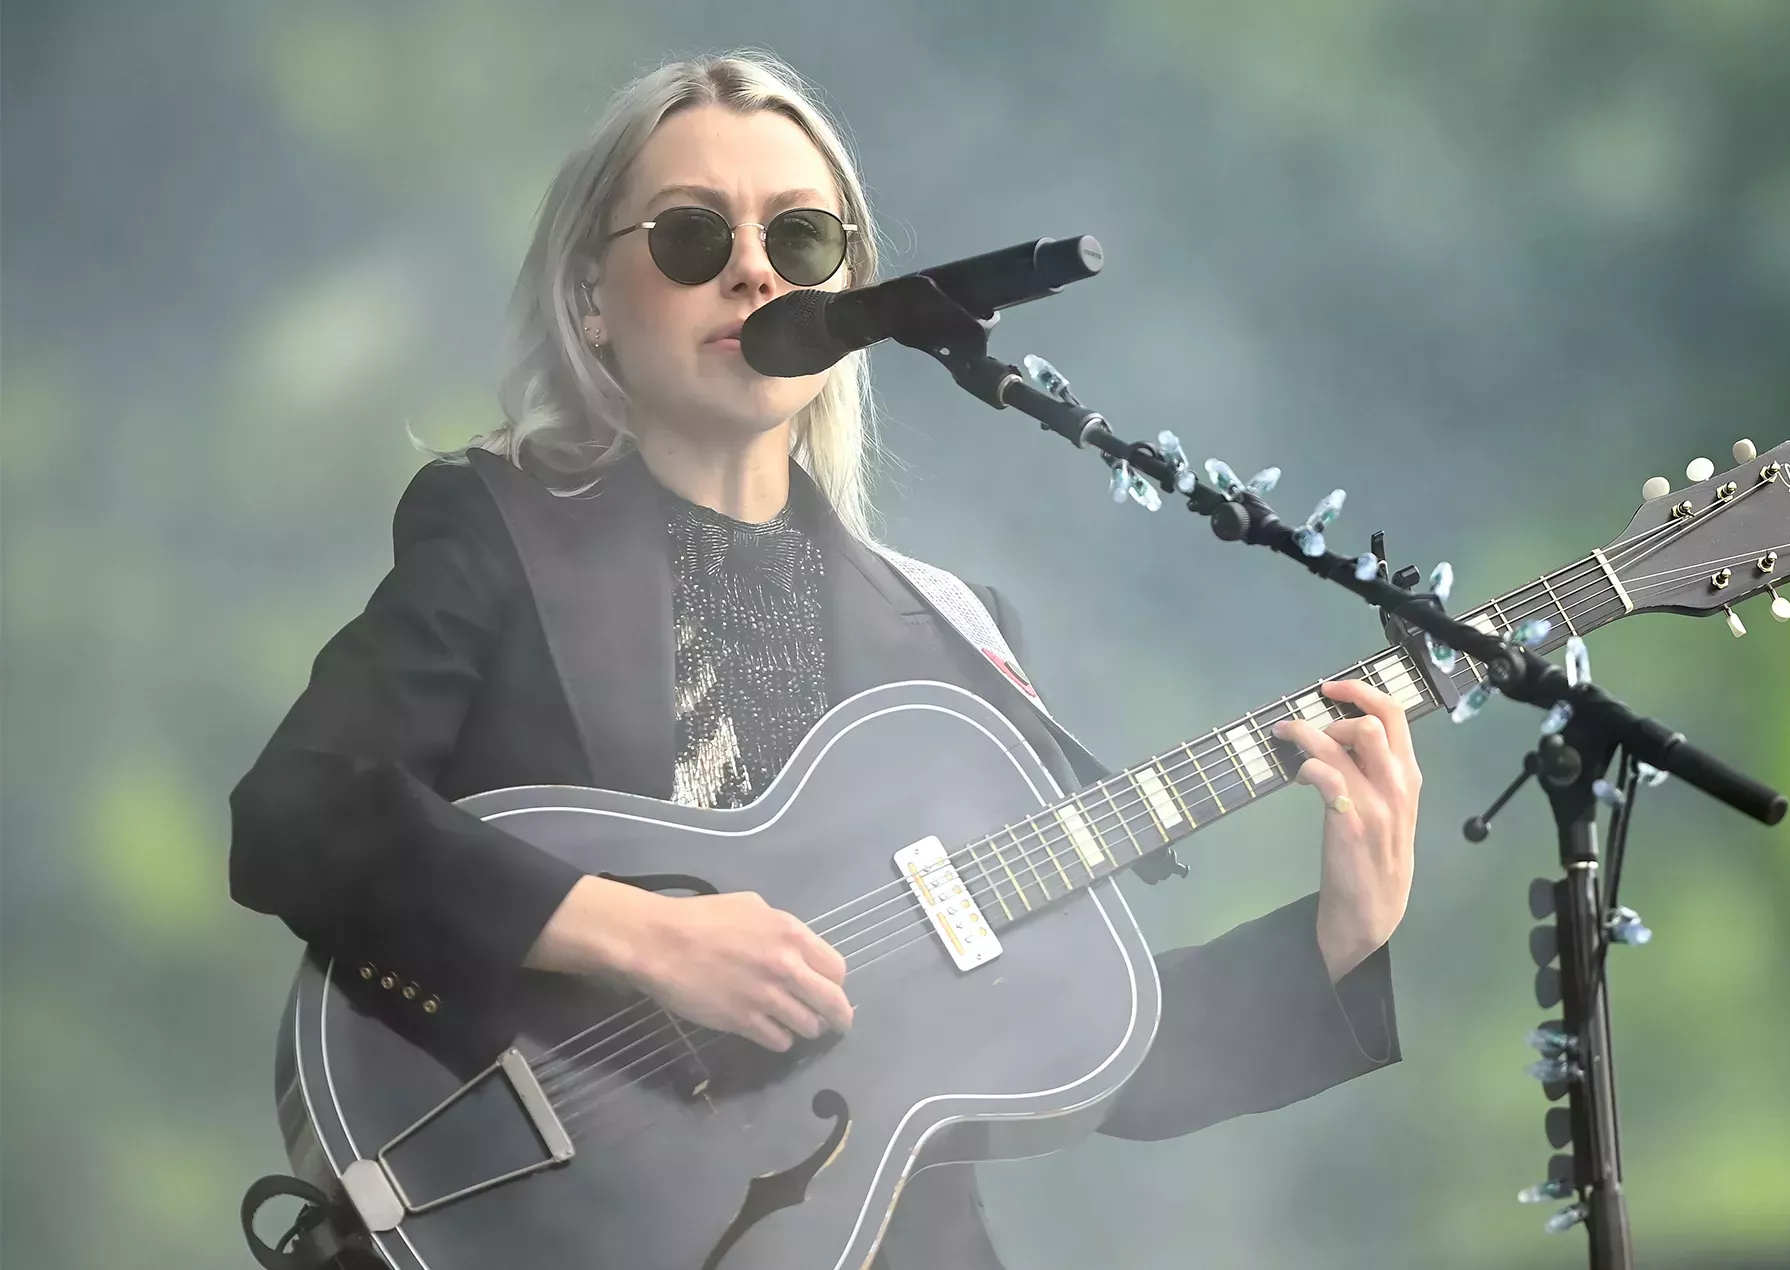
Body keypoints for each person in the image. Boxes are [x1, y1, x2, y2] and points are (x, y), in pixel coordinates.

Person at [229, 50, 1423, 1268]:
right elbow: (296, 811)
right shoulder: (497, 531)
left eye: (799, 241)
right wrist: (645, 935)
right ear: (592, 298)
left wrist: (1336, 938)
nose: (752, 267)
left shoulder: (951, 632)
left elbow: (1065, 1053)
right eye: (693, 236)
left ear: (847, 297)